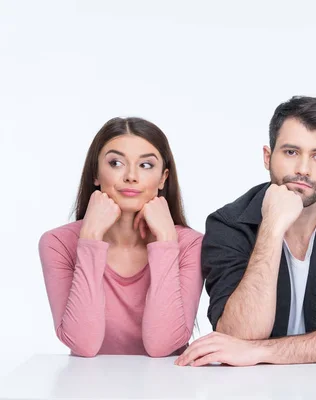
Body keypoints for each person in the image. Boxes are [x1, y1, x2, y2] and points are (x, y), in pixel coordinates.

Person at [176, 96, 316, 367]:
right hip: (253, 390)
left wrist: (261, 352)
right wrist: (271, 228)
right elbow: (237, 333)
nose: (303, 169)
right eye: (291, 152)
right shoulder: (229, 224)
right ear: (268, 157)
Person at [39, 117, 203, 357]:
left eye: (146, 165)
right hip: (88, 389)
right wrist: (91, 238)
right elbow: (83, 344)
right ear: (95, 174)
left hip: (166, 389)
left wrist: (166, 240)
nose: (131, 176)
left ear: (163, 178)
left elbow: (162, 346)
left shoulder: (191, 245)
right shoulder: (57, 244)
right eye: (116, 163)